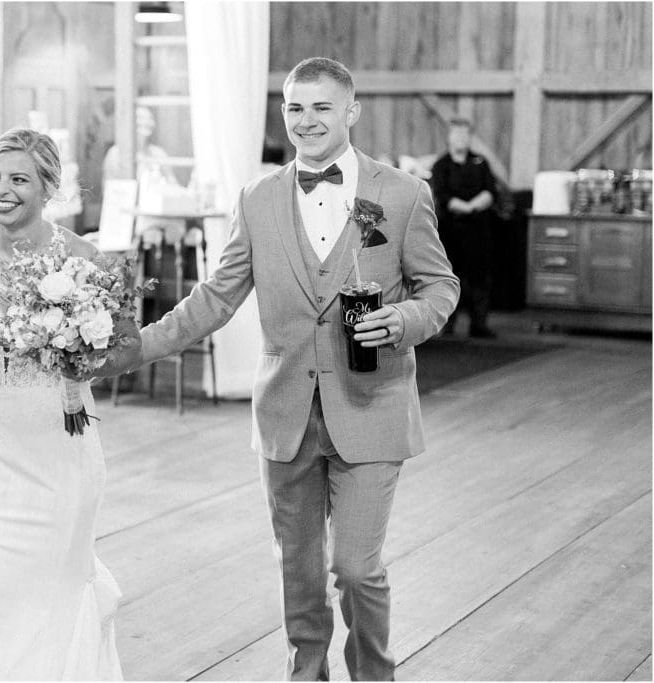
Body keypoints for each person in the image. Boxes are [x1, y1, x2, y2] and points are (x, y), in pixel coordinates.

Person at [131, 58, 459, 681]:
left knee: (357, 568)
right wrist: (135, 347)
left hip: (372, 406)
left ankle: (374, 675)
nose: (306, 121)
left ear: (351, 112)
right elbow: (216, 298)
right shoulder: (256, 199)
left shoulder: (402, 193)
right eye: (294, 108)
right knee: (298, 570)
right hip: (286, 415)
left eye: (321, 108)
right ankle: (305, 673)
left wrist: (404, 319)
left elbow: (441, 287)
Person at [0, 128, 139, 680]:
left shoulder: (85, 258)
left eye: (19, 179)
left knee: (47, 588)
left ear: (48, 188)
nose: (1, 190)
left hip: (56, 448)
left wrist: (79, 349)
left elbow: (128, 346)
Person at [429, 118, 498, 338]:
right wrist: (464, 208)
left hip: (478, 231)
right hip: (451, 231)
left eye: (465, 134)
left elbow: (490, 191)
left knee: (480, 279)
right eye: (457, 134)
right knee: (450, 277)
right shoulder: (441, 165)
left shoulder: (481, 162)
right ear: (449, 137)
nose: (461, 138)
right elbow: (442, 196)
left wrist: (473, 206)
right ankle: (448, 324)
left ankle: (479, 324)